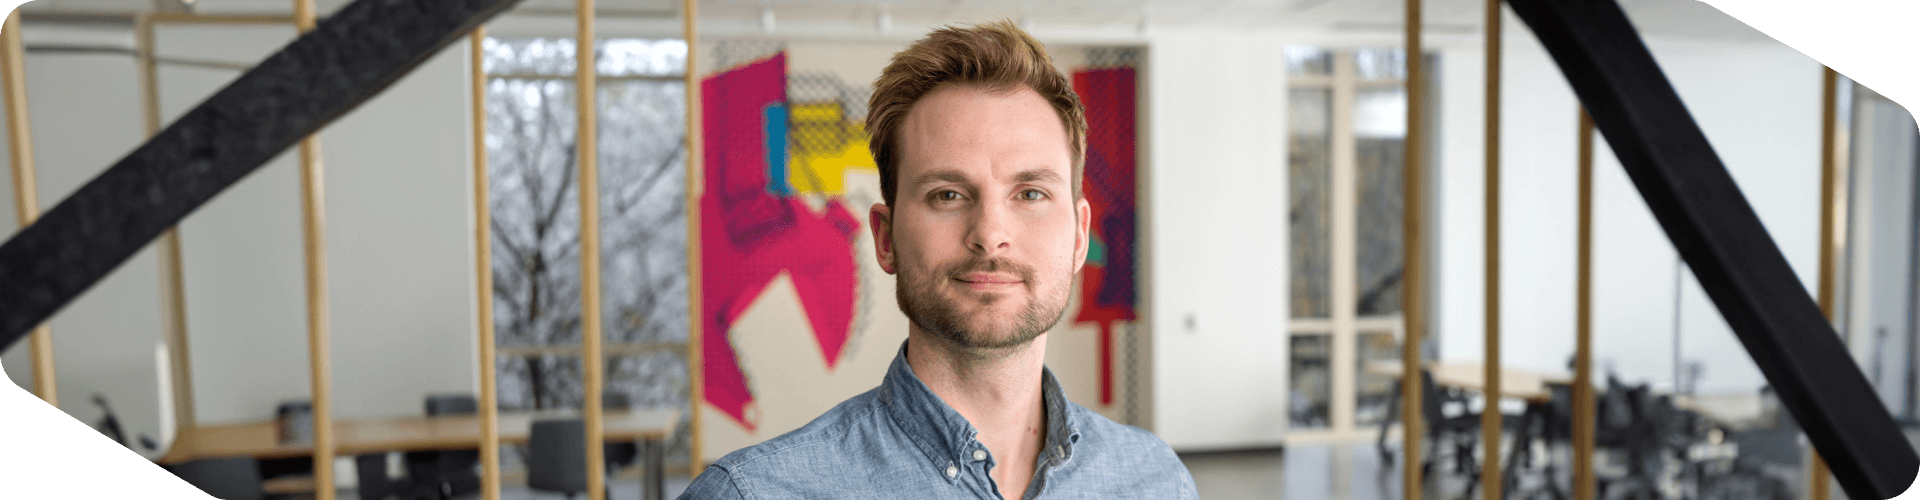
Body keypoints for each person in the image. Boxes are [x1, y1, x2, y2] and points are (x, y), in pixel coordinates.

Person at [678, 20, 1197, 500]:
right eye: (947, 195)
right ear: (886, 240)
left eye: (1031, 193)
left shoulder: (1155, 480)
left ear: (1080, 236)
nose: (990, 235)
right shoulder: (753, 494)